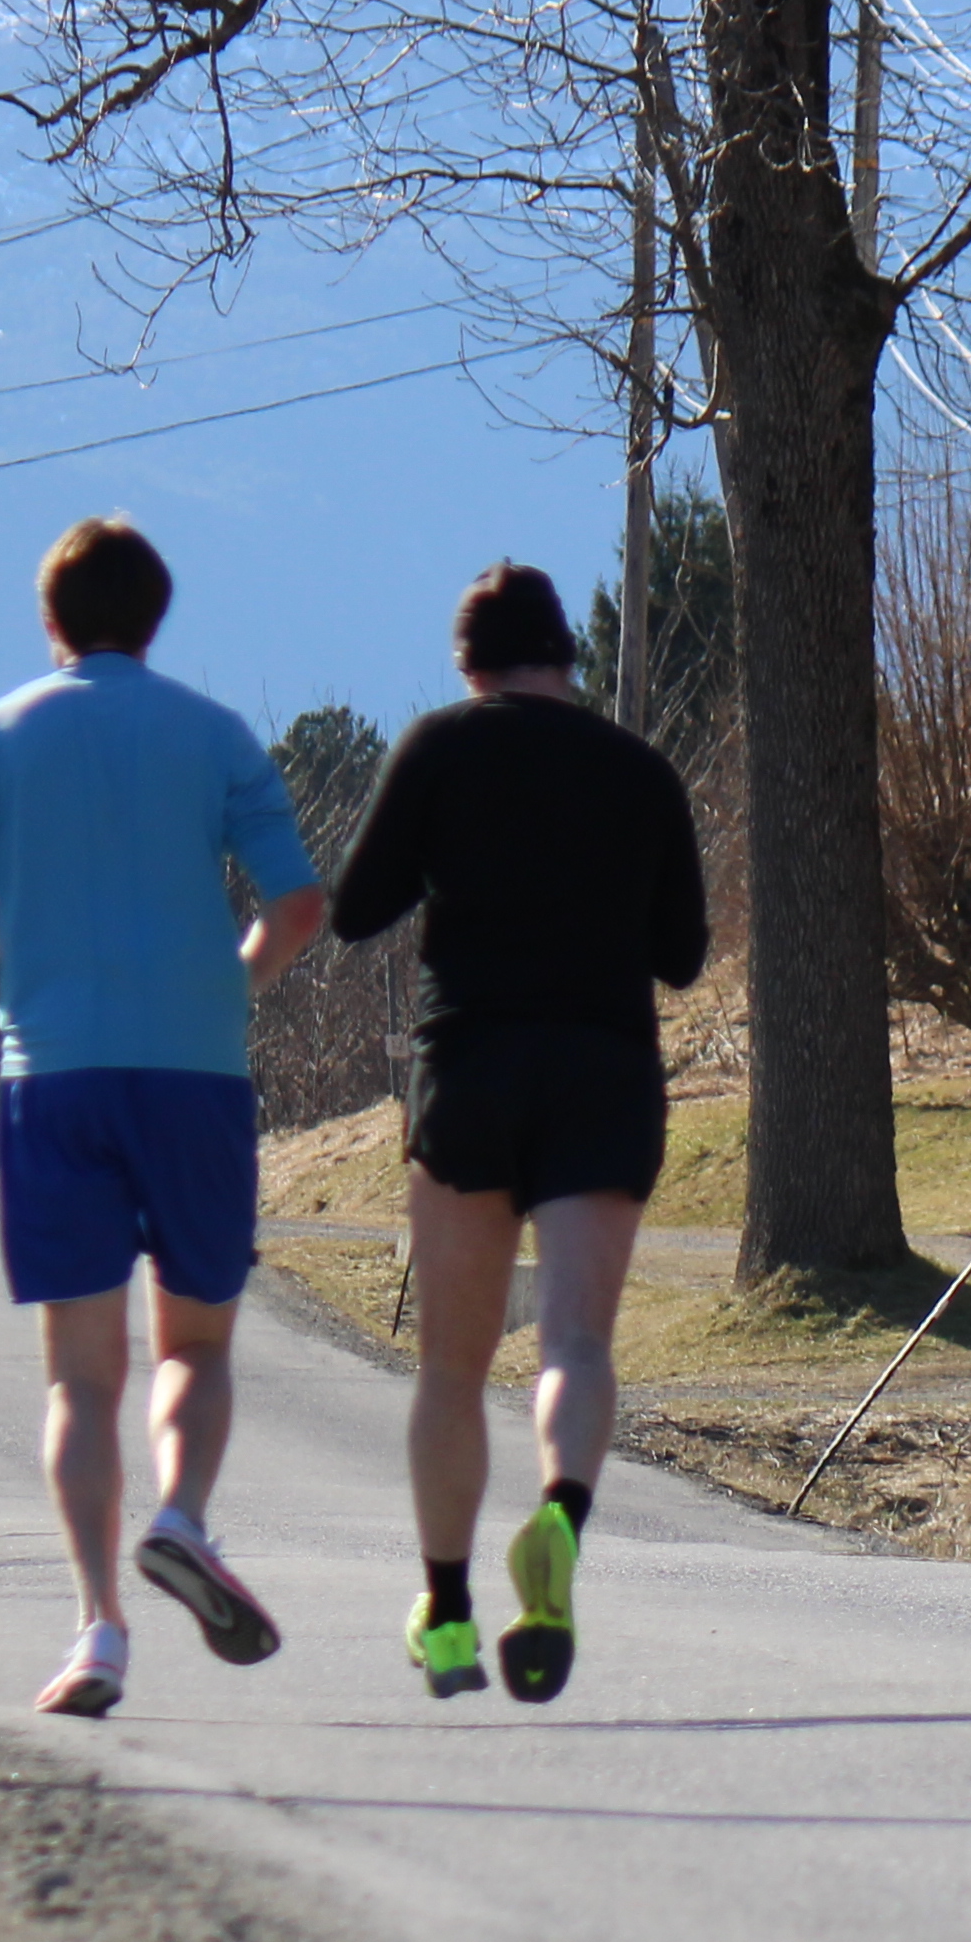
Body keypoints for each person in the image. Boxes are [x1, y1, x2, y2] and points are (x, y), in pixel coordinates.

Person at [0, 512, 329, 1718]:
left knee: (80, 1382)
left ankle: (98, 1630)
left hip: (55, 1078)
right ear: (156, 617)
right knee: (193, 1347)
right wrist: (233, 981)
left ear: (50, 620)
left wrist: (30, 918)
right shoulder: (216, 733)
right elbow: (300, 904)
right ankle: (182, 1516)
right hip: (196, 1076)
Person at [326, 561, 709, 1703]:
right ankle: (560, 1522)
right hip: (602, 1072)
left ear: (468, 663)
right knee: (576, 1345)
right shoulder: (640, 771)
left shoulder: (439, 747)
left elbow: (355, 909)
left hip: (471, 1068)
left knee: (452, 1366)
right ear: (567, 656)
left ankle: (447, 1616)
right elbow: (683, 955)